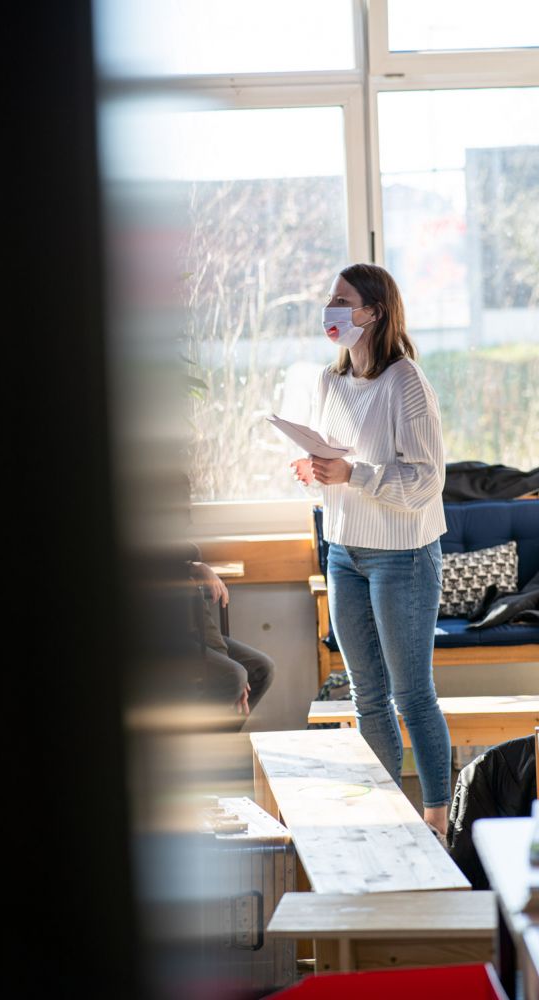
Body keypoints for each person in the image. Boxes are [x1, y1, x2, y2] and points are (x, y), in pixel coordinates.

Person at [291, 263, 451, 841]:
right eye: (330, 299)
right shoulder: (328, 382)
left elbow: (426, 482)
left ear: (374, 312)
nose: (331, 309)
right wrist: (315, 468)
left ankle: (438, 823)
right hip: (343, 552)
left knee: (412, 695)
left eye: (342, 300)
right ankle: (390, 822)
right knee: (367, 697)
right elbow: (335, 461)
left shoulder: (406, 382)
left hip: (401, 556)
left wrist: (352, 474)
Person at [185, 545, 275, 729]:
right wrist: (195, 568)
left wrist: (196, 567)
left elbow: (201, 617)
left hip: (192, 632)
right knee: (234, 676)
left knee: (261, 668)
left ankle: (220, 738)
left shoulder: (186, 559)